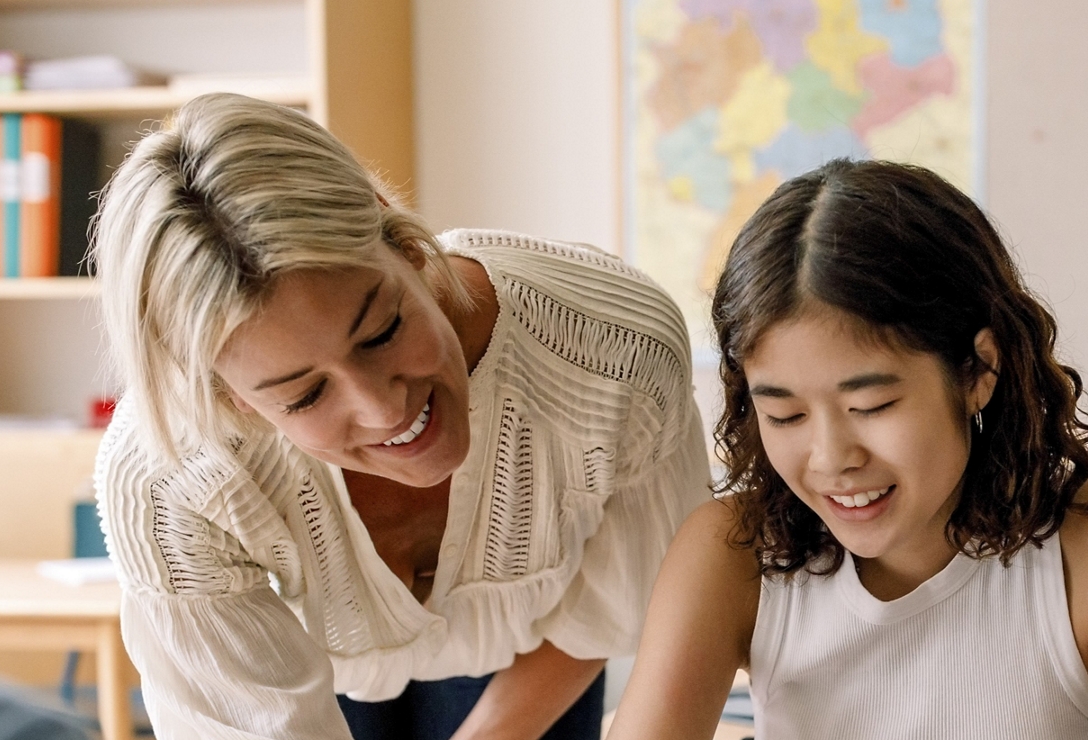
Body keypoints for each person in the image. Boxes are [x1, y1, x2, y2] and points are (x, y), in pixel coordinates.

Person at [90, 93, 709, 740]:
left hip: (536, 654)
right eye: (305, 395)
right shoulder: (166, 476)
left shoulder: (615, 352)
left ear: (405, 242)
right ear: (230, 398)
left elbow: (607, 616)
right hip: (311, 661)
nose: (384, 409)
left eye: (382, 331)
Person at [606, 159, 1088, 739]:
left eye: (871, 406)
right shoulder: (733, 550)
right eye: (785, 414)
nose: (830, 458)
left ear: (979, 370)